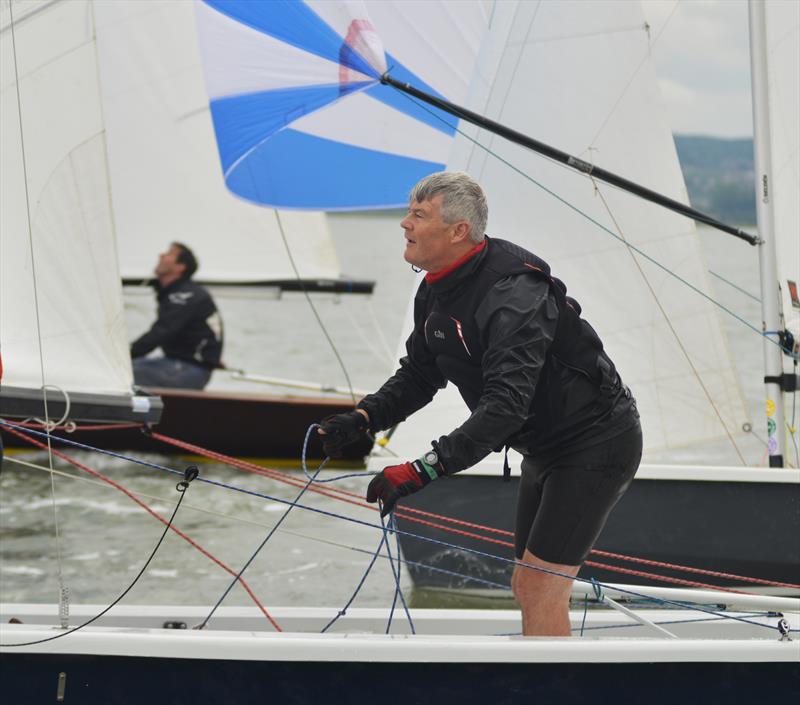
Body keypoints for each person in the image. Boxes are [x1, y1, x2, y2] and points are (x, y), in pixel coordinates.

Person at [319, 171, 642, 637]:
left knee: (539, 585)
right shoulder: (435, 286)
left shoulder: (514, 294)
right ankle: (548, 672)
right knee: (526, 584)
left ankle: (554, 685)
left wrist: (419, 471)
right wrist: (362, 418)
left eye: (418, 214)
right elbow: (419, 374)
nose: (404, 224)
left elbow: (504, 408)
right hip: (545, 447)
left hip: (597, 442)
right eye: (408, 211)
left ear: (458, 231)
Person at [130, 242, 223, 390]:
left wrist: (123, 356)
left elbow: (161, 332)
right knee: (127, 370)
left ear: (181, 267)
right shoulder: (181, 293)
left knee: (121, 374)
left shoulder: (184, 296)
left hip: (189, 369)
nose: (161, 255)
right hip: (181, 365)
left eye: (169, 253)